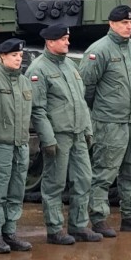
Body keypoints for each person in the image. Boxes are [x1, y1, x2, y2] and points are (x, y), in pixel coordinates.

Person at [80, 5, 131, 237]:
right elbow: (86, 87)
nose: (128, 26)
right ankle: (99, 218)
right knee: (104, 172)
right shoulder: (99, 50)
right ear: (111, 24)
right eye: (123, 23)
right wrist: (102, 111)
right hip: (109, 122)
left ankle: (130, 216)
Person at [27, 23, 102, 245]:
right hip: (58, 135)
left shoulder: (70, 65)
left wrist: (88, 129)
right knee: (55, 183)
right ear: (50, 42)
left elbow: (81, 100)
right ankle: (55, 229)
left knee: (83, 180)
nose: (68, 42)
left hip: (78, 132)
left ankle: (79, 225)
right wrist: (47, 138)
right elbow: (37, 109)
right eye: (63, 39)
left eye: (67, 38)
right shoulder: (38, 70)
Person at [0, 38, 34, 254]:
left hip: (20, 145)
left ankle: (10, 232)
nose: (18, 59)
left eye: (20, 56)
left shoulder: (24, 82)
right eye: (13, 56)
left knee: (16, 192)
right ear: (2, 57)